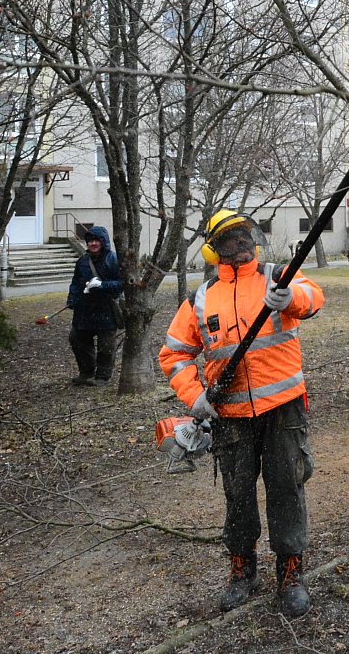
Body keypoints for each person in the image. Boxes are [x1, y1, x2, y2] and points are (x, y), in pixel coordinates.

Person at [158, 210, 325, 618]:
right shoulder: (201, 299)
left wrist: (293, 298)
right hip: (229, 416)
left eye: (245, 234)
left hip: (283, 410)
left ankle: (291, 574)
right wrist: (195, 397)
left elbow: (312, 297)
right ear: (216, 250)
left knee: (287, 488)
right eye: (232, 238)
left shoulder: (278, 277)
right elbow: (174, 354)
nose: (243, 242)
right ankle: (242, 571)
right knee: (238, 496)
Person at [65, 225, 121, 386]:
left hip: (106, 309)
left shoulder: (113, 259)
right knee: (77, 339)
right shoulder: (82, 261)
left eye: (97, 240)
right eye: (90, 240)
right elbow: (75, 283)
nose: (93, 243)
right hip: (84, 310)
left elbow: (121, 283)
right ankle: (86, 372)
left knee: (106, 345)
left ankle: (103, 376)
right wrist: (72, 298)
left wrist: (102, 285)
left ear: (103, 242)